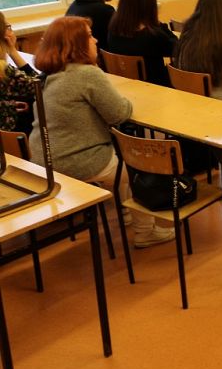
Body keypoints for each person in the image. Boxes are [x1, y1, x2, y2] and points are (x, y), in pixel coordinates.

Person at [28, 16, 174, 248]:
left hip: (44, 161)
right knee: (134, 165)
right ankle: (145, 231)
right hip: (76, 162)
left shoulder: (48, 76)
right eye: (89, 36)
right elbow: (119, 114)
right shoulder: (86, 74)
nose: (95, 40)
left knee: (115, 157)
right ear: (75, 44)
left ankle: (125, 213)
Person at [107, 0, 178, 87]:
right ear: (149, 4)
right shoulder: (153, 36)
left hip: (124, 84)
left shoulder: (113, 29)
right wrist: (159, 24)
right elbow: (176, 48)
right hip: (156, 87)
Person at [0, 11, 39, 134]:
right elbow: (39, 86)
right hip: (14, 139)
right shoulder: (4, 72)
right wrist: (12, 51)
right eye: (7, 27)